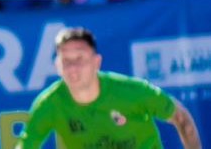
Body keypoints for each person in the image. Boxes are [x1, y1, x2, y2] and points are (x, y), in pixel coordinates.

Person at [17, 27, 201, 149]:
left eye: (80, 59)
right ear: (57, 66)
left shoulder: (133, 91)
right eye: (66, 61)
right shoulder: (49, 104)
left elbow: (181, 118)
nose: (72, 67)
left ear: (97, 62)